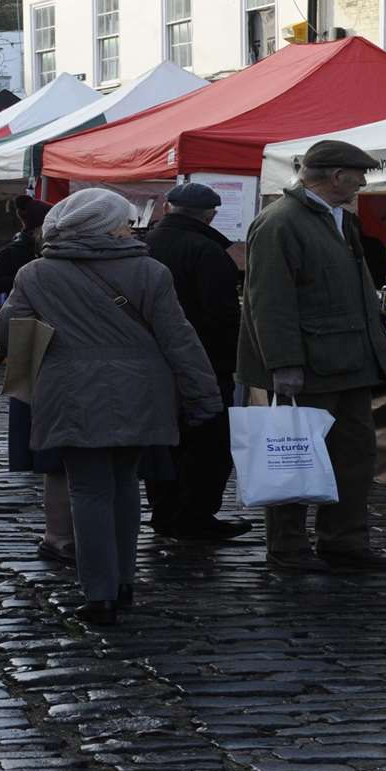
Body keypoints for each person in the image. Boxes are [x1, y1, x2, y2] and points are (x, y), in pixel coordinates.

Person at [0, 189, 222, 625]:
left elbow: (7, 331)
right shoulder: (150, 271)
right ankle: (124, 580)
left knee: (88, 489)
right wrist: (203, 395)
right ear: (111, 227)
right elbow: (179, 338)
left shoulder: (36, 273)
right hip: (141, 388)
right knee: (124, 485)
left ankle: (99, 593)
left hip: (71, 388)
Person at [237, 140, 386, 575]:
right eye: (358, 175)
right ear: (336, 176)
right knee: (294, 455)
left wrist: (378, 356)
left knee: (354, 456)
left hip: (348, 362)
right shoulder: (280, 222)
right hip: (309, 365)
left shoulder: (338, 220)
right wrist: (283, 364)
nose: (363, 183)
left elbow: (358, 294)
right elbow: (268, 301)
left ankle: (343, 540)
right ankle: (288, 548)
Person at [143, 182, 250, 541]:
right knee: (207, 444)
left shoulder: (145, 246)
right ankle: (194, 515)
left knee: (165, 440)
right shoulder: (208, 251)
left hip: (153, 361)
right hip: (203, 361)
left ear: (168, 208)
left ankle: (165, 510)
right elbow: (222, 316)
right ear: (210, 214)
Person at [0, 197, 74, 564]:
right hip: (104, 377)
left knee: (56, 459)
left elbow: (2, 328)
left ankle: (60, 536)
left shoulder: (36, 268)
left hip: (44, 360)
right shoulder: (142, 268)